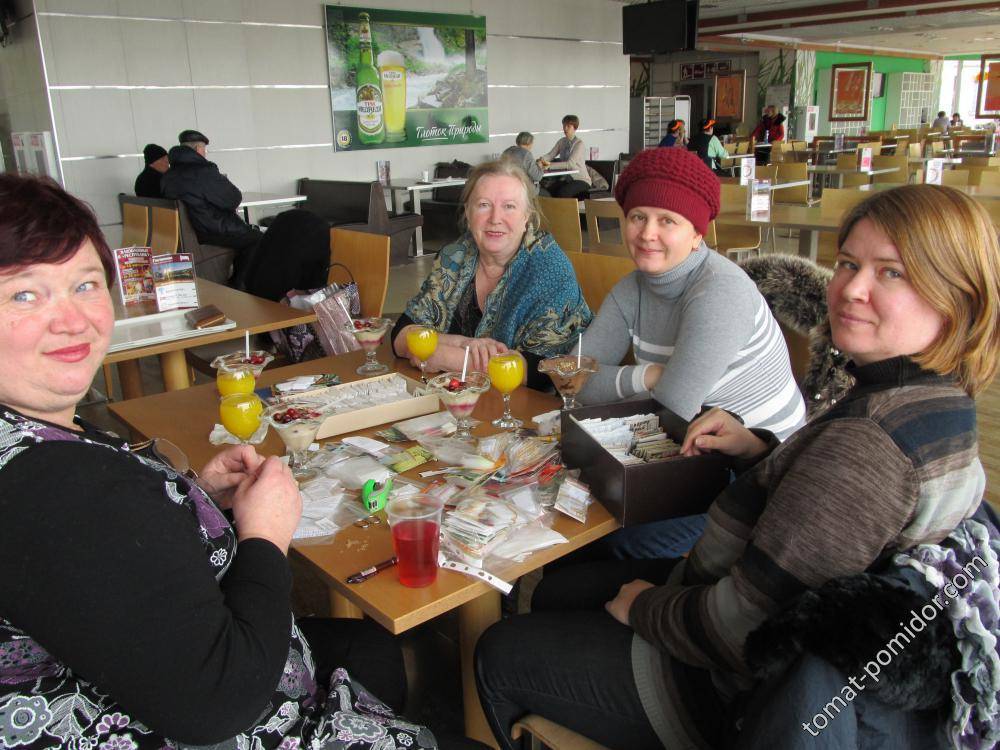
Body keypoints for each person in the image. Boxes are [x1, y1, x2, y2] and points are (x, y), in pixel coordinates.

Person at [475, 183, 1000, 750]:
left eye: (891, 272)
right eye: (849, 263)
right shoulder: (933, 400)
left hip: (729, 689)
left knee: (498, 649)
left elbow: (743, 630)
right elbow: (831, 514)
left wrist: (645, 608)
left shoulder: (865, 444)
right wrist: (757, 448)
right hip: (743, 597)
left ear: (957, 296)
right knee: (559, 589)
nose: (852, 289)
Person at [0, 174, 486, 750]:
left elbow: (107, 561)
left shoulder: (34, 444)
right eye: (24, 295)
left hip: (196, 659)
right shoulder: (53, 488)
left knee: (368, 647)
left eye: (84, 285)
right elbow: (215, 704)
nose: (72, 319)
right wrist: (264, 538)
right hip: (237, 719)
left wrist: (194, 498)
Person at [569, 146, 805, 559]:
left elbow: (670, 411)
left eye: (668, 220)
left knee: (604, 539)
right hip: (688, 457)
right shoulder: (632, 288)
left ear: (698, 234)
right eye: (638, 216)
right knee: (574, 516)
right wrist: (648, 377)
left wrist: (638, 388)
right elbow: (572, 377)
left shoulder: (719, 290)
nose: (647, 234)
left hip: (761, 474)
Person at [391, 159, 591, 390]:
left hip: (528, 406)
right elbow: (401, 335)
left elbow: (543, 371)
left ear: (527, 216)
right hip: (459, 399)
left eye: (509, 206)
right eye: (484, 205)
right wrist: (462, 343)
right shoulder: (455, 255)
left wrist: (441, 355)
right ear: (468, 212)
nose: (495, 218)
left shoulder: (550, 268)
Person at [161, 129, 261, 254]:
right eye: (204, 149)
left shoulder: (168, 175)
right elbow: (233, 199)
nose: (205, 153)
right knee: (260, 239)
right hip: (212, 230)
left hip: (188, 232)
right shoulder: (203, 171)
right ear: (198, 149)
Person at [538, 114, 592, 199]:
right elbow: (550, 155)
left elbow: (570, 164)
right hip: (568, 179)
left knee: (562, 193)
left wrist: (548, 165)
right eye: (564, 126)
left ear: (575, 127)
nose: (565, 128)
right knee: (550, 190)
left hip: (581, 180)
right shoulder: (562, 141)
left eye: (568, 126)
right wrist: (540, 160)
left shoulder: (579, 144)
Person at [501, 131, 547, 195]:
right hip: (524, 190)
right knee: (547, 194)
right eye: (532, 143)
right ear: (529, 143)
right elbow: (537, 177)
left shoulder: (507, 151)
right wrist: (540, 166)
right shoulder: (526, 154)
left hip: (509, 188)